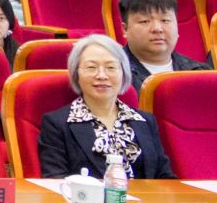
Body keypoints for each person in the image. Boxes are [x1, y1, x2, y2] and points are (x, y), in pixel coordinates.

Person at [38, 34, 176, 180]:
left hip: (145, 196)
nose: (102, 75)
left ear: (124, 73)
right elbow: (55, 180)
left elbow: (164, 177)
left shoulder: (145, 121)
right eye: (91, 67)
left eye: (111, 67)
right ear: (76, 74)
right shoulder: (56, 124)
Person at [117, 0, 211, 92]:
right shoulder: (114, 75)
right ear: (125, 29)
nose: (157, 29)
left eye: (165, 20)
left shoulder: (200, 73)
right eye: (145, 21)